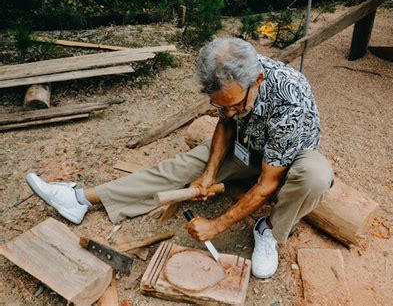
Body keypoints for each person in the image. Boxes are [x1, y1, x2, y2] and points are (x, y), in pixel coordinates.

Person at [25, 38, 333, 279]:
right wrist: (210, 172)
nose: (227, 110)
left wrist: (216, 226)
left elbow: (268, 184)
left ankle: (269, 231)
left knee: (315, 177)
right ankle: (80, 199)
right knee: (184, 166)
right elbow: (226, 123)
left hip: (289, 159)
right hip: (249, 145)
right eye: (220, 105)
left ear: (259, 80)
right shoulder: (229, 81)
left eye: (235, 104)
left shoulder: (289, 99)